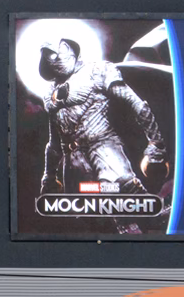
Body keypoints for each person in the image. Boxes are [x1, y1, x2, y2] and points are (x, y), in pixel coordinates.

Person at [35, 36, 168, 199]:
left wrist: (156, 145)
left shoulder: (97, 71)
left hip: (103, 148)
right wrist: (49, 176)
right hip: (73, 161)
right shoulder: (50, 93)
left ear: (70, 51)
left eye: (56, 54)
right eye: (48, 58)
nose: (53, 62)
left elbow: (135, 103)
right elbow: (54, 141)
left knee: (127, 197)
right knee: (90, 213)